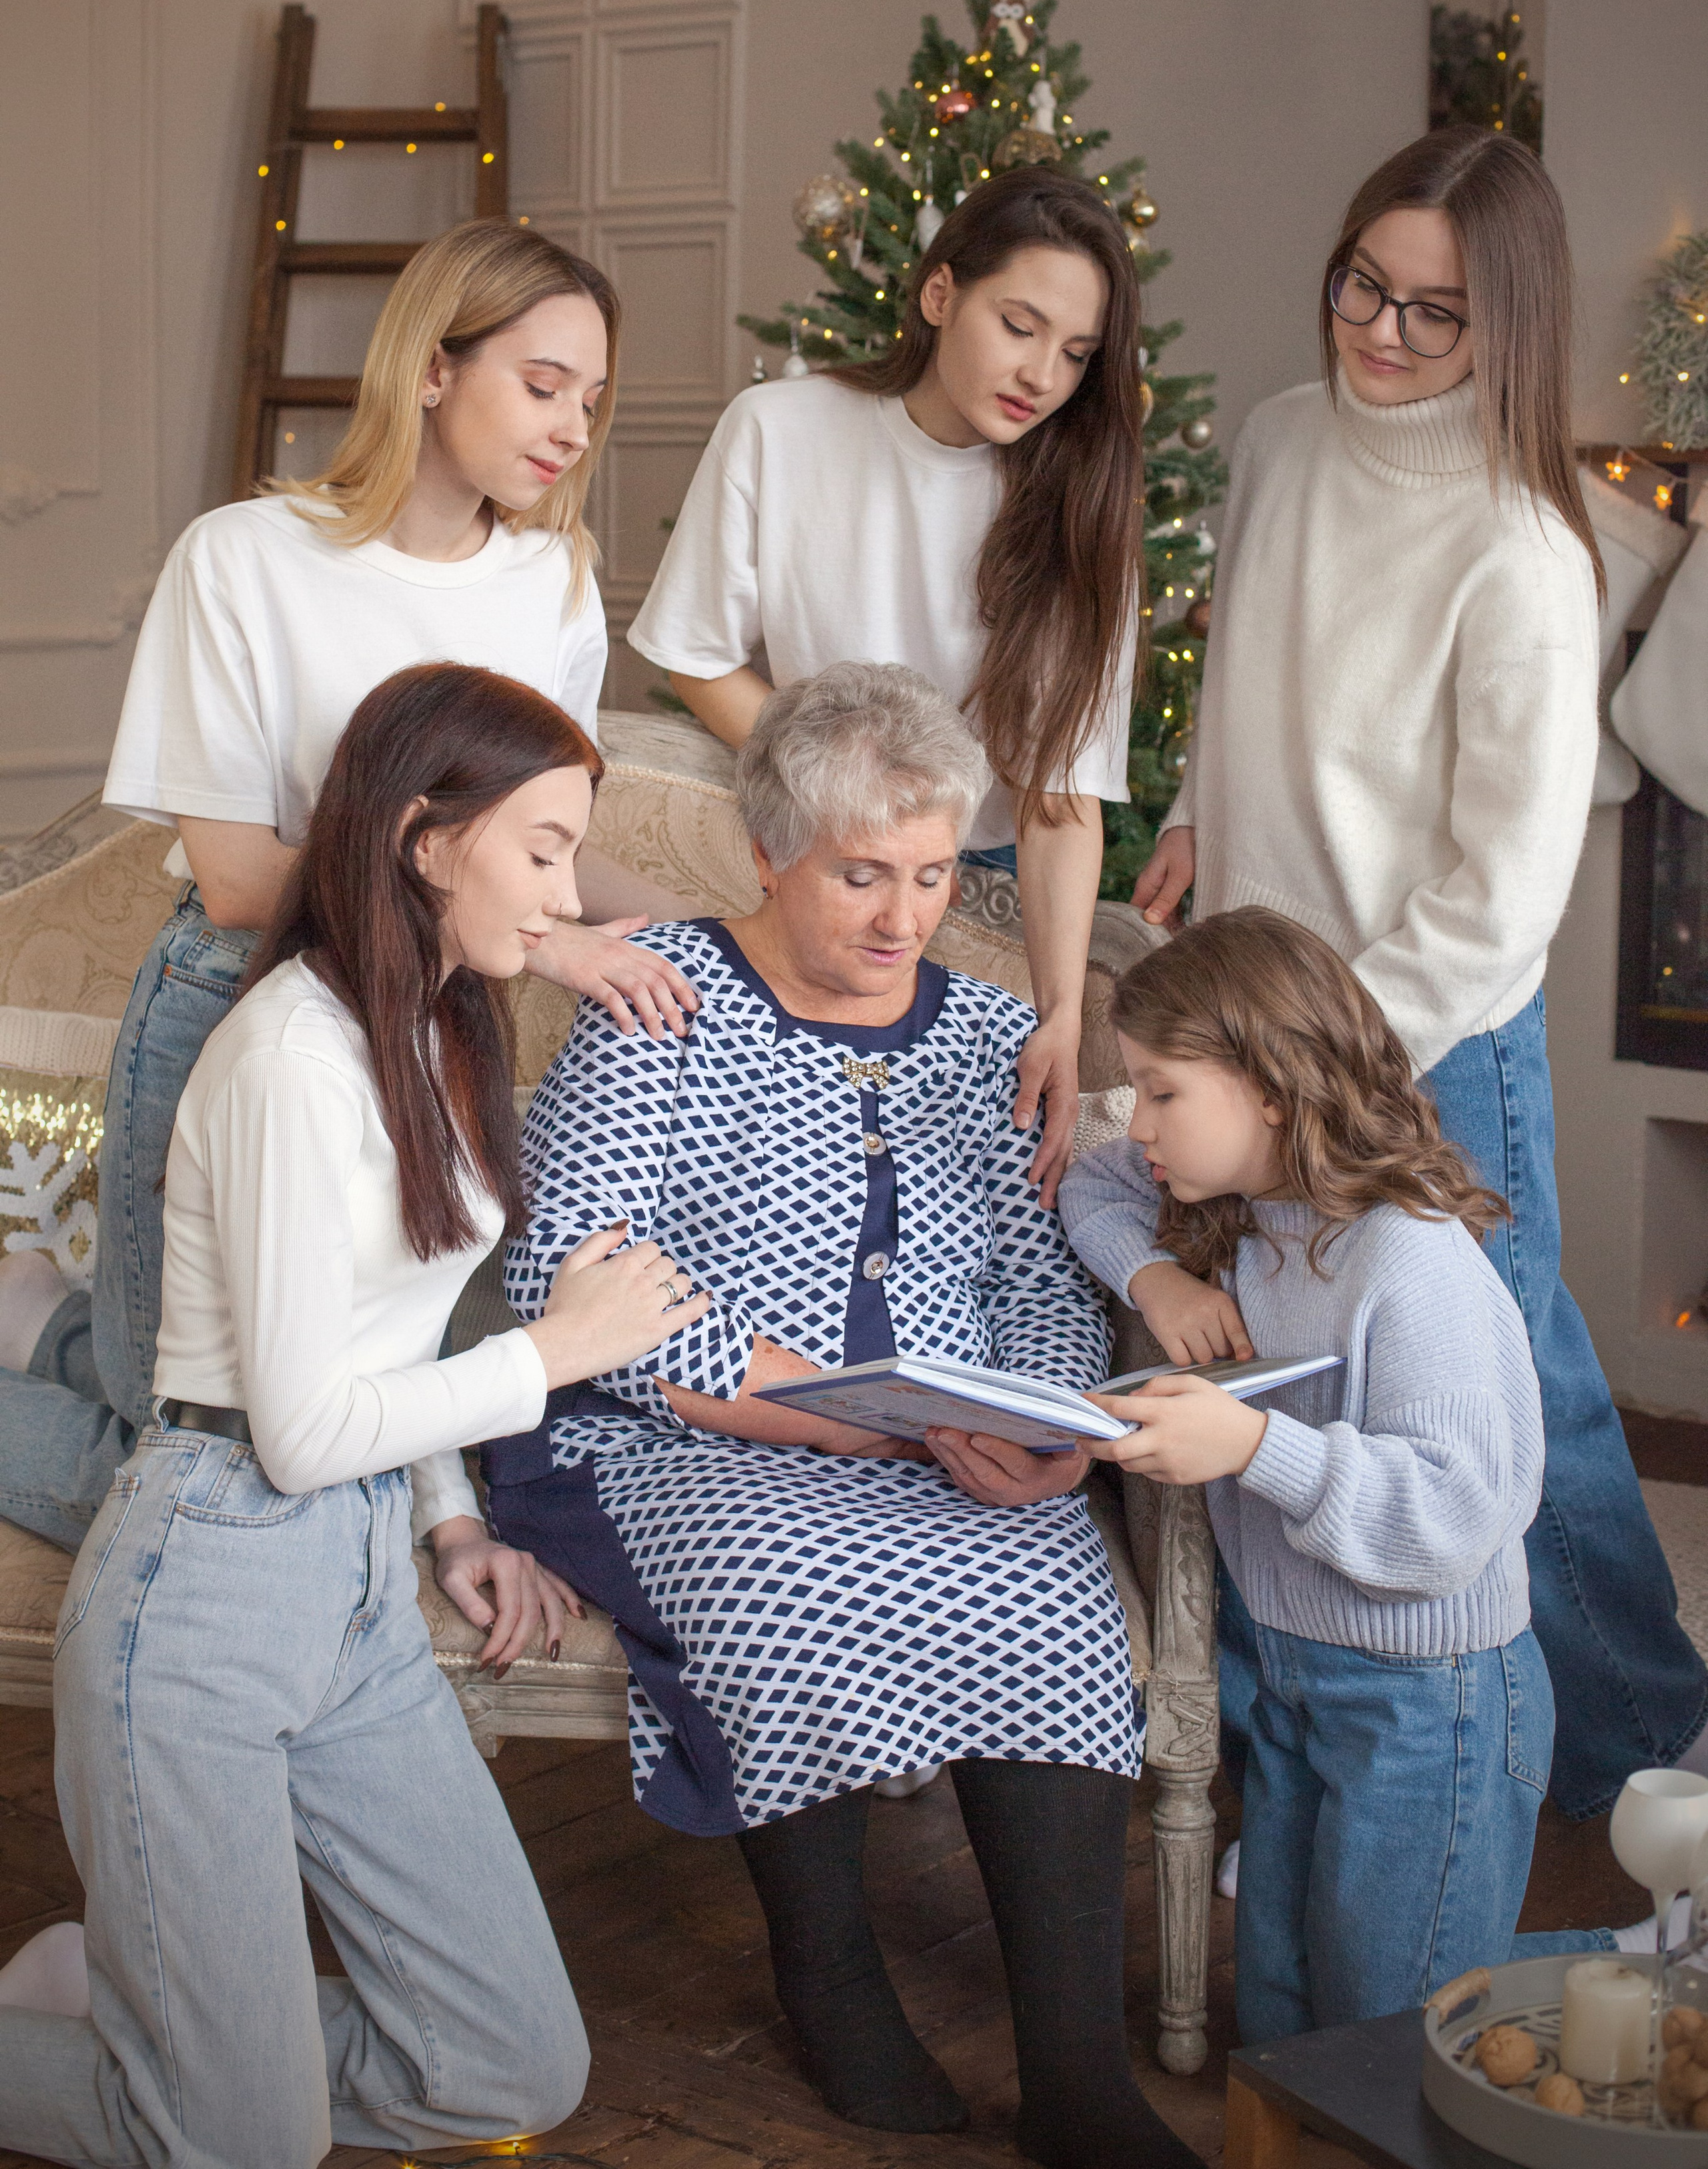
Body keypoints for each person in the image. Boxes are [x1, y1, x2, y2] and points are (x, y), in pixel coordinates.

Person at [483, 663, 1197, 2169]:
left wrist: (1049, 1424)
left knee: (1055, 1604)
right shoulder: (657, 999)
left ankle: (1074, 2077)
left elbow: (1035, 1273)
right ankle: (831, 1977)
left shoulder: (983, 1035)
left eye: (933, 875)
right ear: (767, 854)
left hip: (949, 1443)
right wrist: (836, 1421)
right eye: (859, 875)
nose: (901, 917)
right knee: (787, 1585)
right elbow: (576, 1282)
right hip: (685, 1431)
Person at [0, 662, 708, 2169]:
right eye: (541, 851)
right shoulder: (288, 1059)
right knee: (240, 2146)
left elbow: (388, 1341)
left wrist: (451, 1517)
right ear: (421, 838)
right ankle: (166, 2077)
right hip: (202, 1594)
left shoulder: (438, 1032)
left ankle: (149, 2044)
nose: (565, 898)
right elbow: (301, 1430)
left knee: (516, 2067)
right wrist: (558, 1351)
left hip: (355, 1598)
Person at [1128, 127, 1708, 1819]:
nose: (1378, 335)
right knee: (1279, 1381)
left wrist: (1307, 1064)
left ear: (1504, 328)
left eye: (1433, 315)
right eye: (1359, 288)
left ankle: (1631, 1760)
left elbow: (1500, 893)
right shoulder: (1281, 440)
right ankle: (1305, 1753)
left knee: (1491, 1407)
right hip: (1251, 1023)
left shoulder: (1526, 549)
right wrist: (1189, 806)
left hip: (1418, 1041)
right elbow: (1256, 677)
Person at [0, 218, 699, 1555]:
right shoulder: (244, 559)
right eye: (540, 383)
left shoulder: (548, 578)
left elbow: (542, 835)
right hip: (237, 1008)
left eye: (591, 402)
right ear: (432, 368)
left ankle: (42, 1319)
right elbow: (236, 880)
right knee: (187, 1468)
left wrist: (676, 921)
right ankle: (52, 1333)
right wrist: (550, 946)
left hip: (434, 1019)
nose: (570, 428)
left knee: (317, 1413)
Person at [1059, 907, 1619, 2040]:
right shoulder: (1241, 1205)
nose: (1142, 1123)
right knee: (1282, 2007)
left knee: (1388, 2027)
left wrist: (1257, 1448)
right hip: (1296, 1675)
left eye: (1164, 1091)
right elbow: (1095, 1183)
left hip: (1432, 1704)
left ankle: (1633, 1968)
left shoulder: (1409, 1261)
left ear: (1270, 1085)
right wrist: (1157, 1283)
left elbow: (1462, 1509)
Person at [626, 164, 1148, 1208]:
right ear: (940, 293)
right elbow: (693, 652)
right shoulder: (781, 428)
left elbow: (1060, 796)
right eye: (1019, 324)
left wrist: (1057, 1012)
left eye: (1077, 354)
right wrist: (836, 786)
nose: (1042, 373)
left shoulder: (1080, 509)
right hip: (804, 846)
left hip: (979, 875)